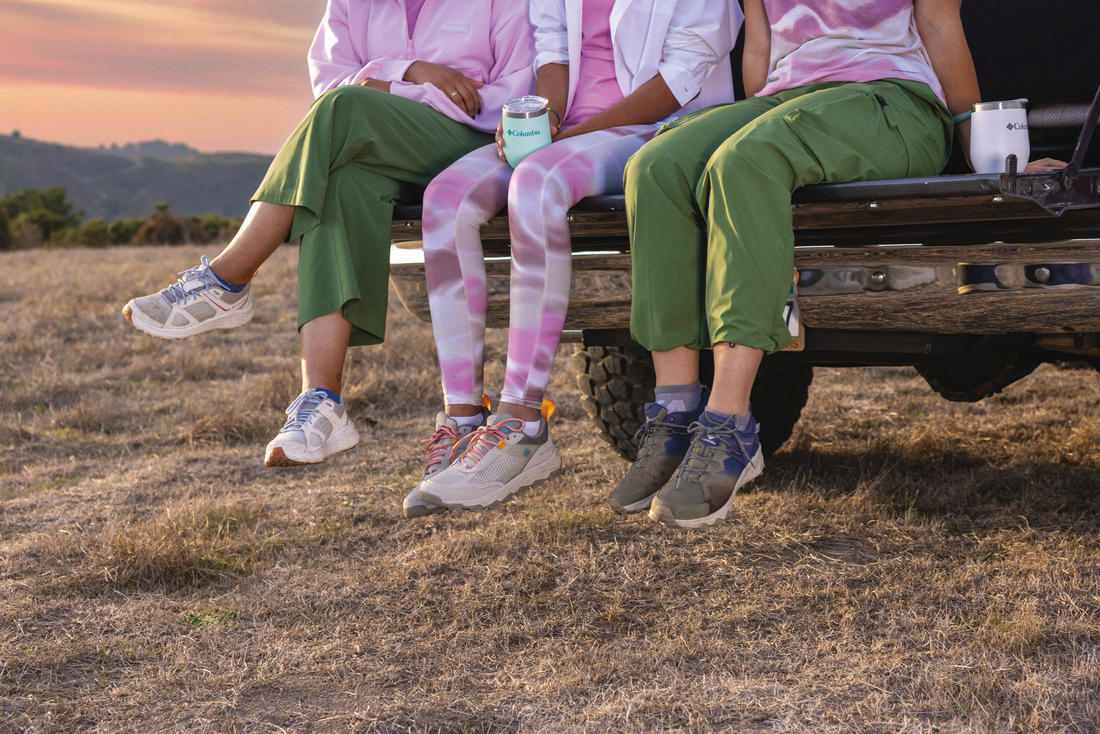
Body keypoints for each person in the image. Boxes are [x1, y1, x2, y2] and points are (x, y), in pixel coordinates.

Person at [608, 0, 984, 528]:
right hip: (792, 99)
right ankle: (675, 414)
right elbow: (760, 46)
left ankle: (730, 425)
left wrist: (985, 153)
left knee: (744, 162)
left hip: (894, 101)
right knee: (655, 166)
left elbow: (940, 24)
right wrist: (760, 124)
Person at [121, 0, 535, 467]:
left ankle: (227, 278)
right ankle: (322, 402)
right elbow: (329, 82)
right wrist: (411, 73)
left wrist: (389, 91)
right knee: (342, 181)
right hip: (375, 147)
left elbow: (514, 95)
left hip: (471, 146)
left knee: (346, 109)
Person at [405, 0, 742, 517]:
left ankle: (522, 424)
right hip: (565, 137)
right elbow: (554, 50)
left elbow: (681, 80)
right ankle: (465, 423)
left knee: (536, 185)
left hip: (660, 130)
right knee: (445, 200)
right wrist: (542, 120)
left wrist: (564, 141)